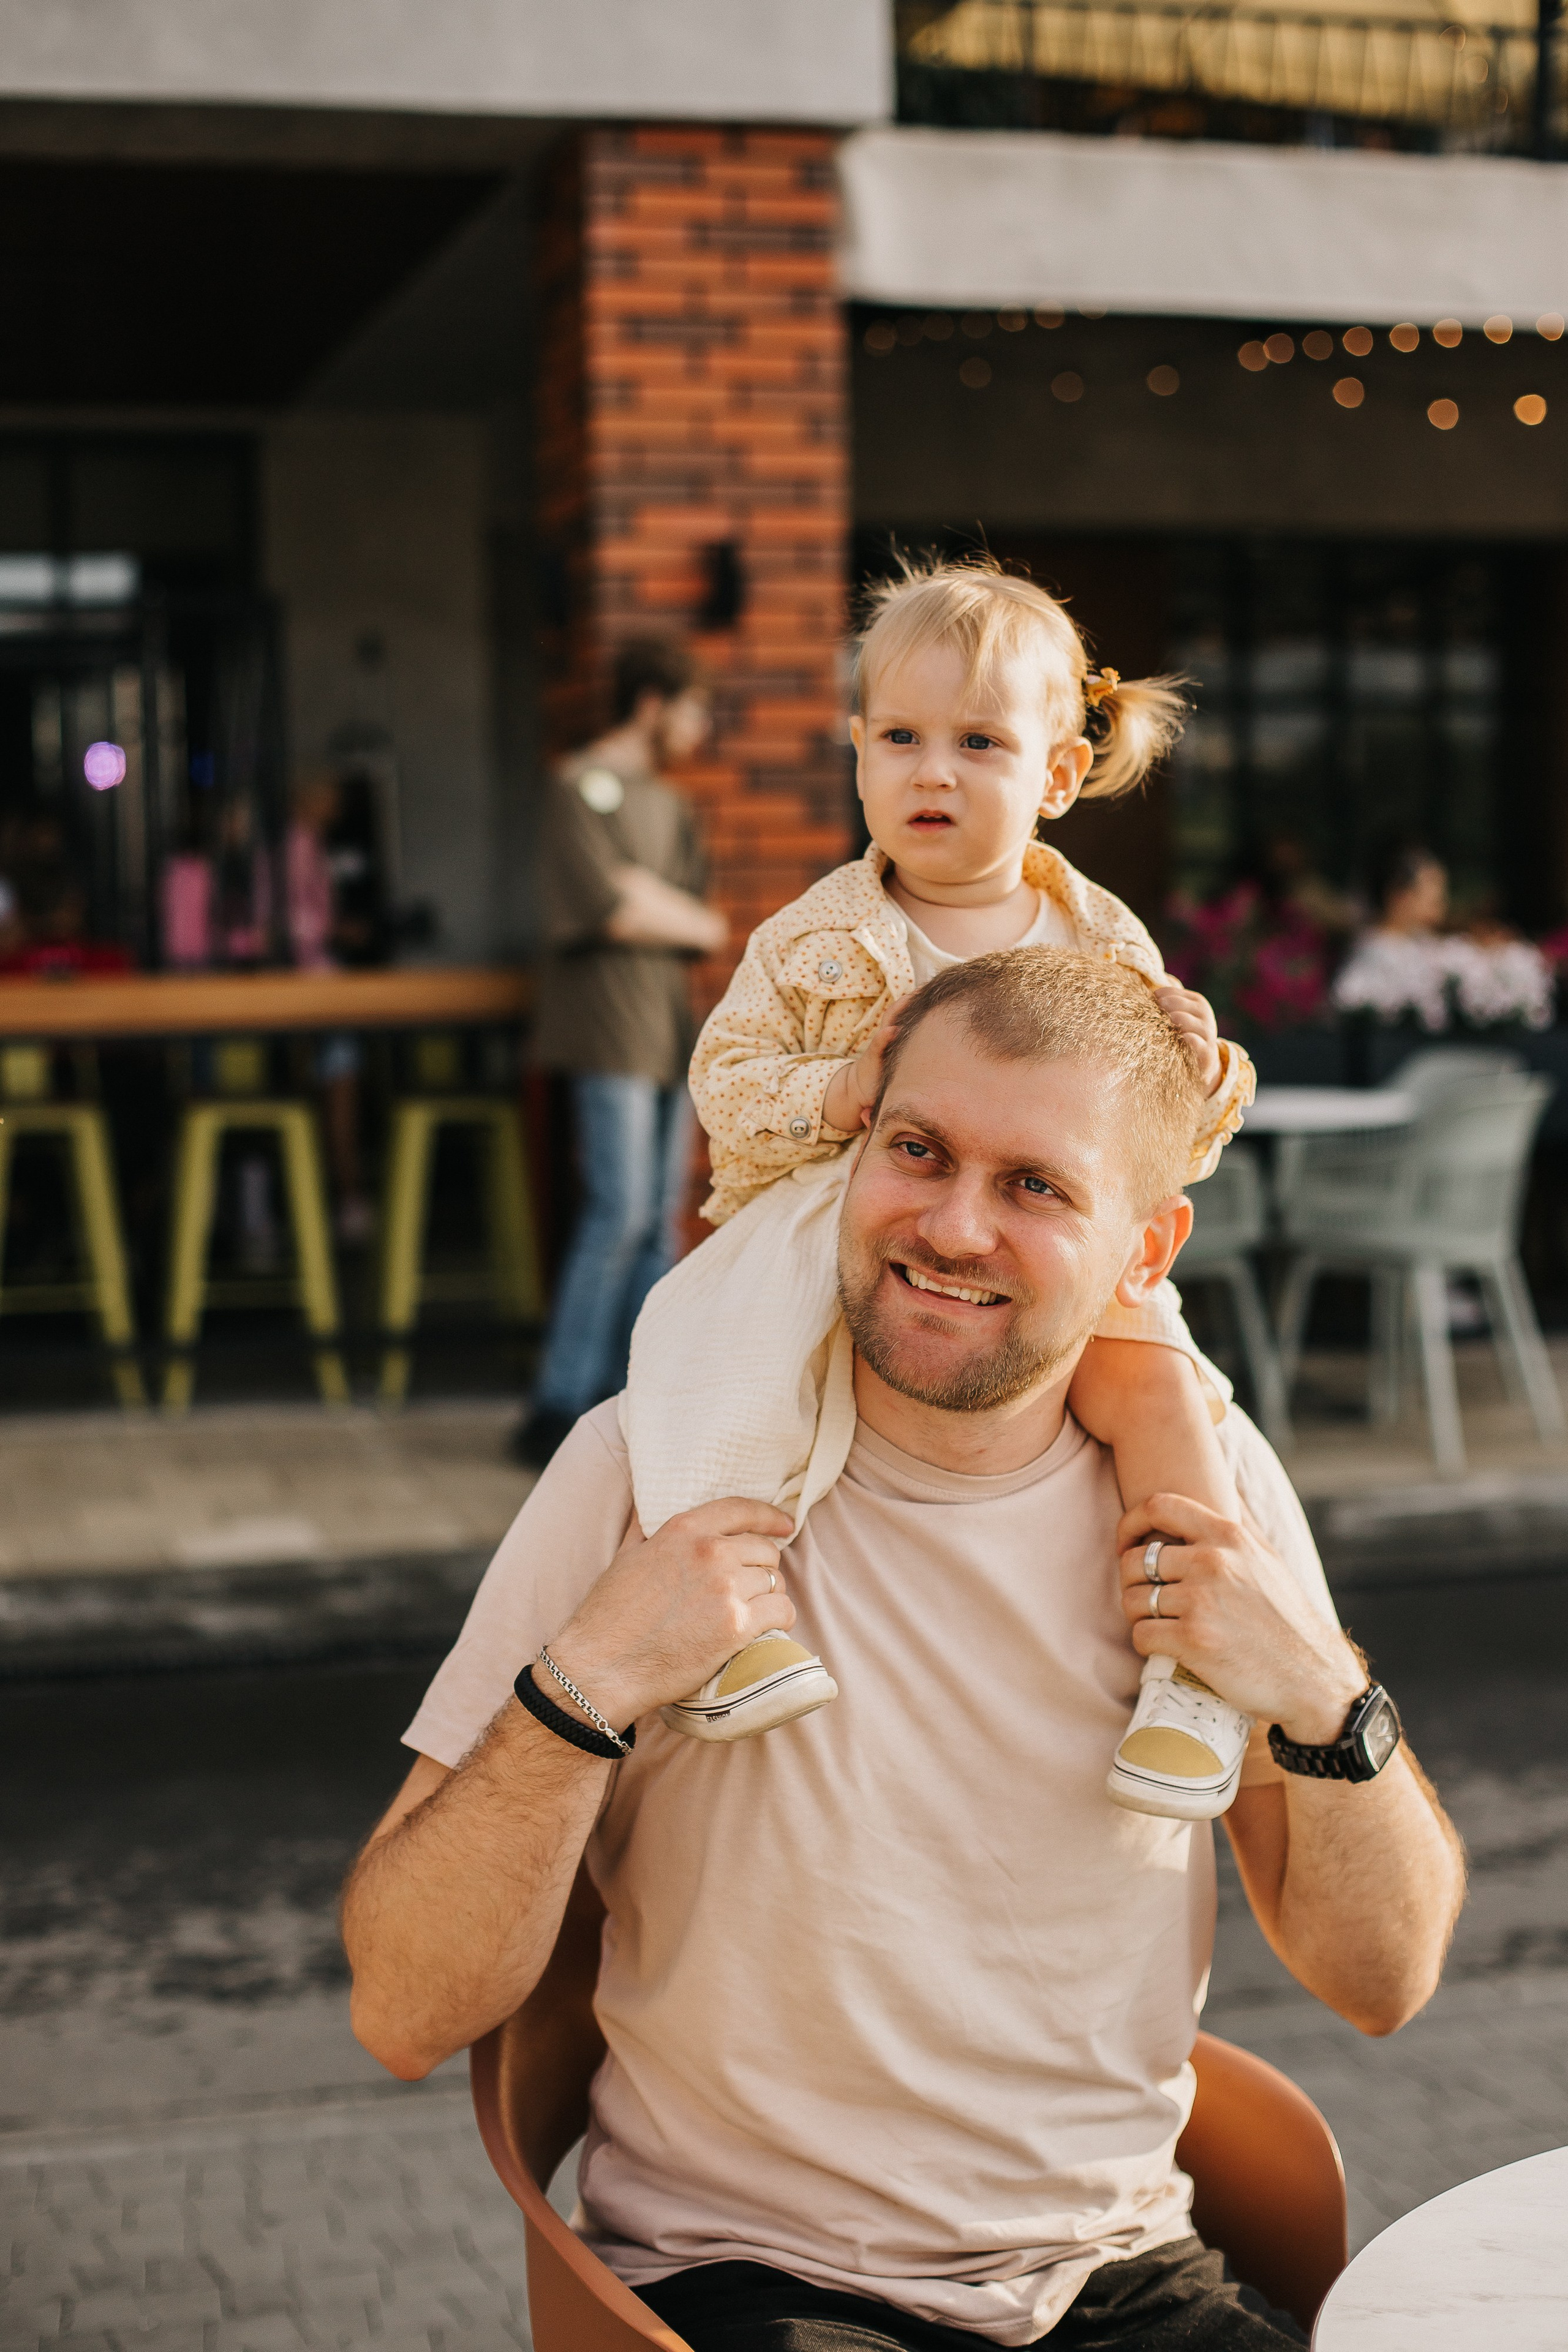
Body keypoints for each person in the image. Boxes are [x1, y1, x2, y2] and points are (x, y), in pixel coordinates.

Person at [342, 948, 1464, 2352]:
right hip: (756, 2281)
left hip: (1121, 2276)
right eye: (917, 1151)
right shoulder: (651, 1468)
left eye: (1033, 1186)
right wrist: (587, 1682)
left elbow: (1383, 1979)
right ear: (854, 1148)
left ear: (1145, 1249)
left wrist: (1317, 1686)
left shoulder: (1207, 1486)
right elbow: (400, 2010)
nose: (950, 1226)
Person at [626, 559, 1255, 1821]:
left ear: (1056, 777)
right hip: (836, 1210)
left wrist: (1203, 1067)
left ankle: (1195, 1662)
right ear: (856, 752)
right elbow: (720, 1076)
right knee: (713, 1351)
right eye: (900, 737)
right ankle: (731, 1622)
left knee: (1160, 1386)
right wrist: (837, 1088)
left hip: (1036, 1241)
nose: (932, 772)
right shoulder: (811, 939)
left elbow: (1156, 1150)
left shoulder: (1099, 943)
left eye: (978, 743)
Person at [511, 637, 727, 1468]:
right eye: (693, 709)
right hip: (607, 1026)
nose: (701, 728)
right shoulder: (578, 787)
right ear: (650, 703)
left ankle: (641, 1401)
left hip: (669, 1029)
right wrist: (653, 905)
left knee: (659, 1223)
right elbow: (611, 908)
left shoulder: (670, 807)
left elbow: (701, 915)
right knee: (619, 1212)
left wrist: (656, 903)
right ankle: (557, 1402)